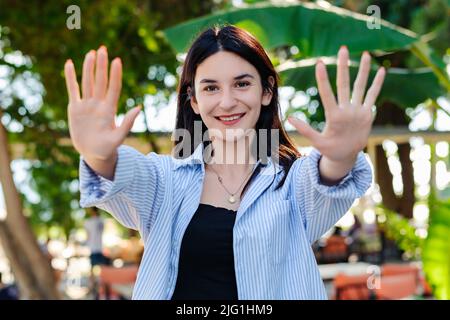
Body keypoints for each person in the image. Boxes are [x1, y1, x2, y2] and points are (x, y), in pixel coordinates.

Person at [64, 25, 385, 299]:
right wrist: (98, 153)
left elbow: (326, 179)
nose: (227, 101)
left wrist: (340, 157)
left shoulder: (292, 181)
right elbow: (118, 174)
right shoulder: (165, 180)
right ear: (194, 99)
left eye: (242, 83)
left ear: (267, 91)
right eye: (211, 88)